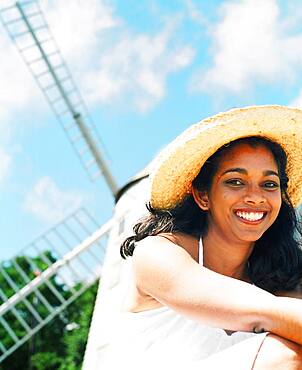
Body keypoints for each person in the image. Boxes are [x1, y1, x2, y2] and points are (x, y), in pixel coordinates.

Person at [109, 105, 302, 369]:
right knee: (283, 356)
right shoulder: (157, 254)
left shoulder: (279, 274)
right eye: (235, 181)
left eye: (269, 184)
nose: (256, 196)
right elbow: (269, 313)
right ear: (202, 196)